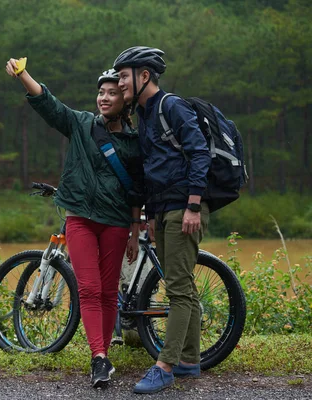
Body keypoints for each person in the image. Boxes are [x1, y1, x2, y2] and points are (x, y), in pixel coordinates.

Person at [4, 58, 144, 389]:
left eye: (112, 93)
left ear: (125, 100)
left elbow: (138, 188)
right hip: (80, 218)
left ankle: (105, 353)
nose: (104, 98)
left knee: (109, 292)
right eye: (101, 93)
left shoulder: (135, 142)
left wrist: (136, 229)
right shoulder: (82, 124)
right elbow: (48, 105)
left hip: (115, 222)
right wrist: (24, 75)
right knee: (90, 289)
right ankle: (98, 358)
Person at [113, 46, 212, 394]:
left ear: (144, 76)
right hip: (165, 209)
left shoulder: (171, 106)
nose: (119, 82)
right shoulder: (145, 116)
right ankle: (188, 359)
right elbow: (153, 170)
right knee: (181, 285)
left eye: (124, 76)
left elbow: (199, 151)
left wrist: (194, 205)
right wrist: (150, 216)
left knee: (179, 290)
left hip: (184, 207)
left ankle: (164, 366)